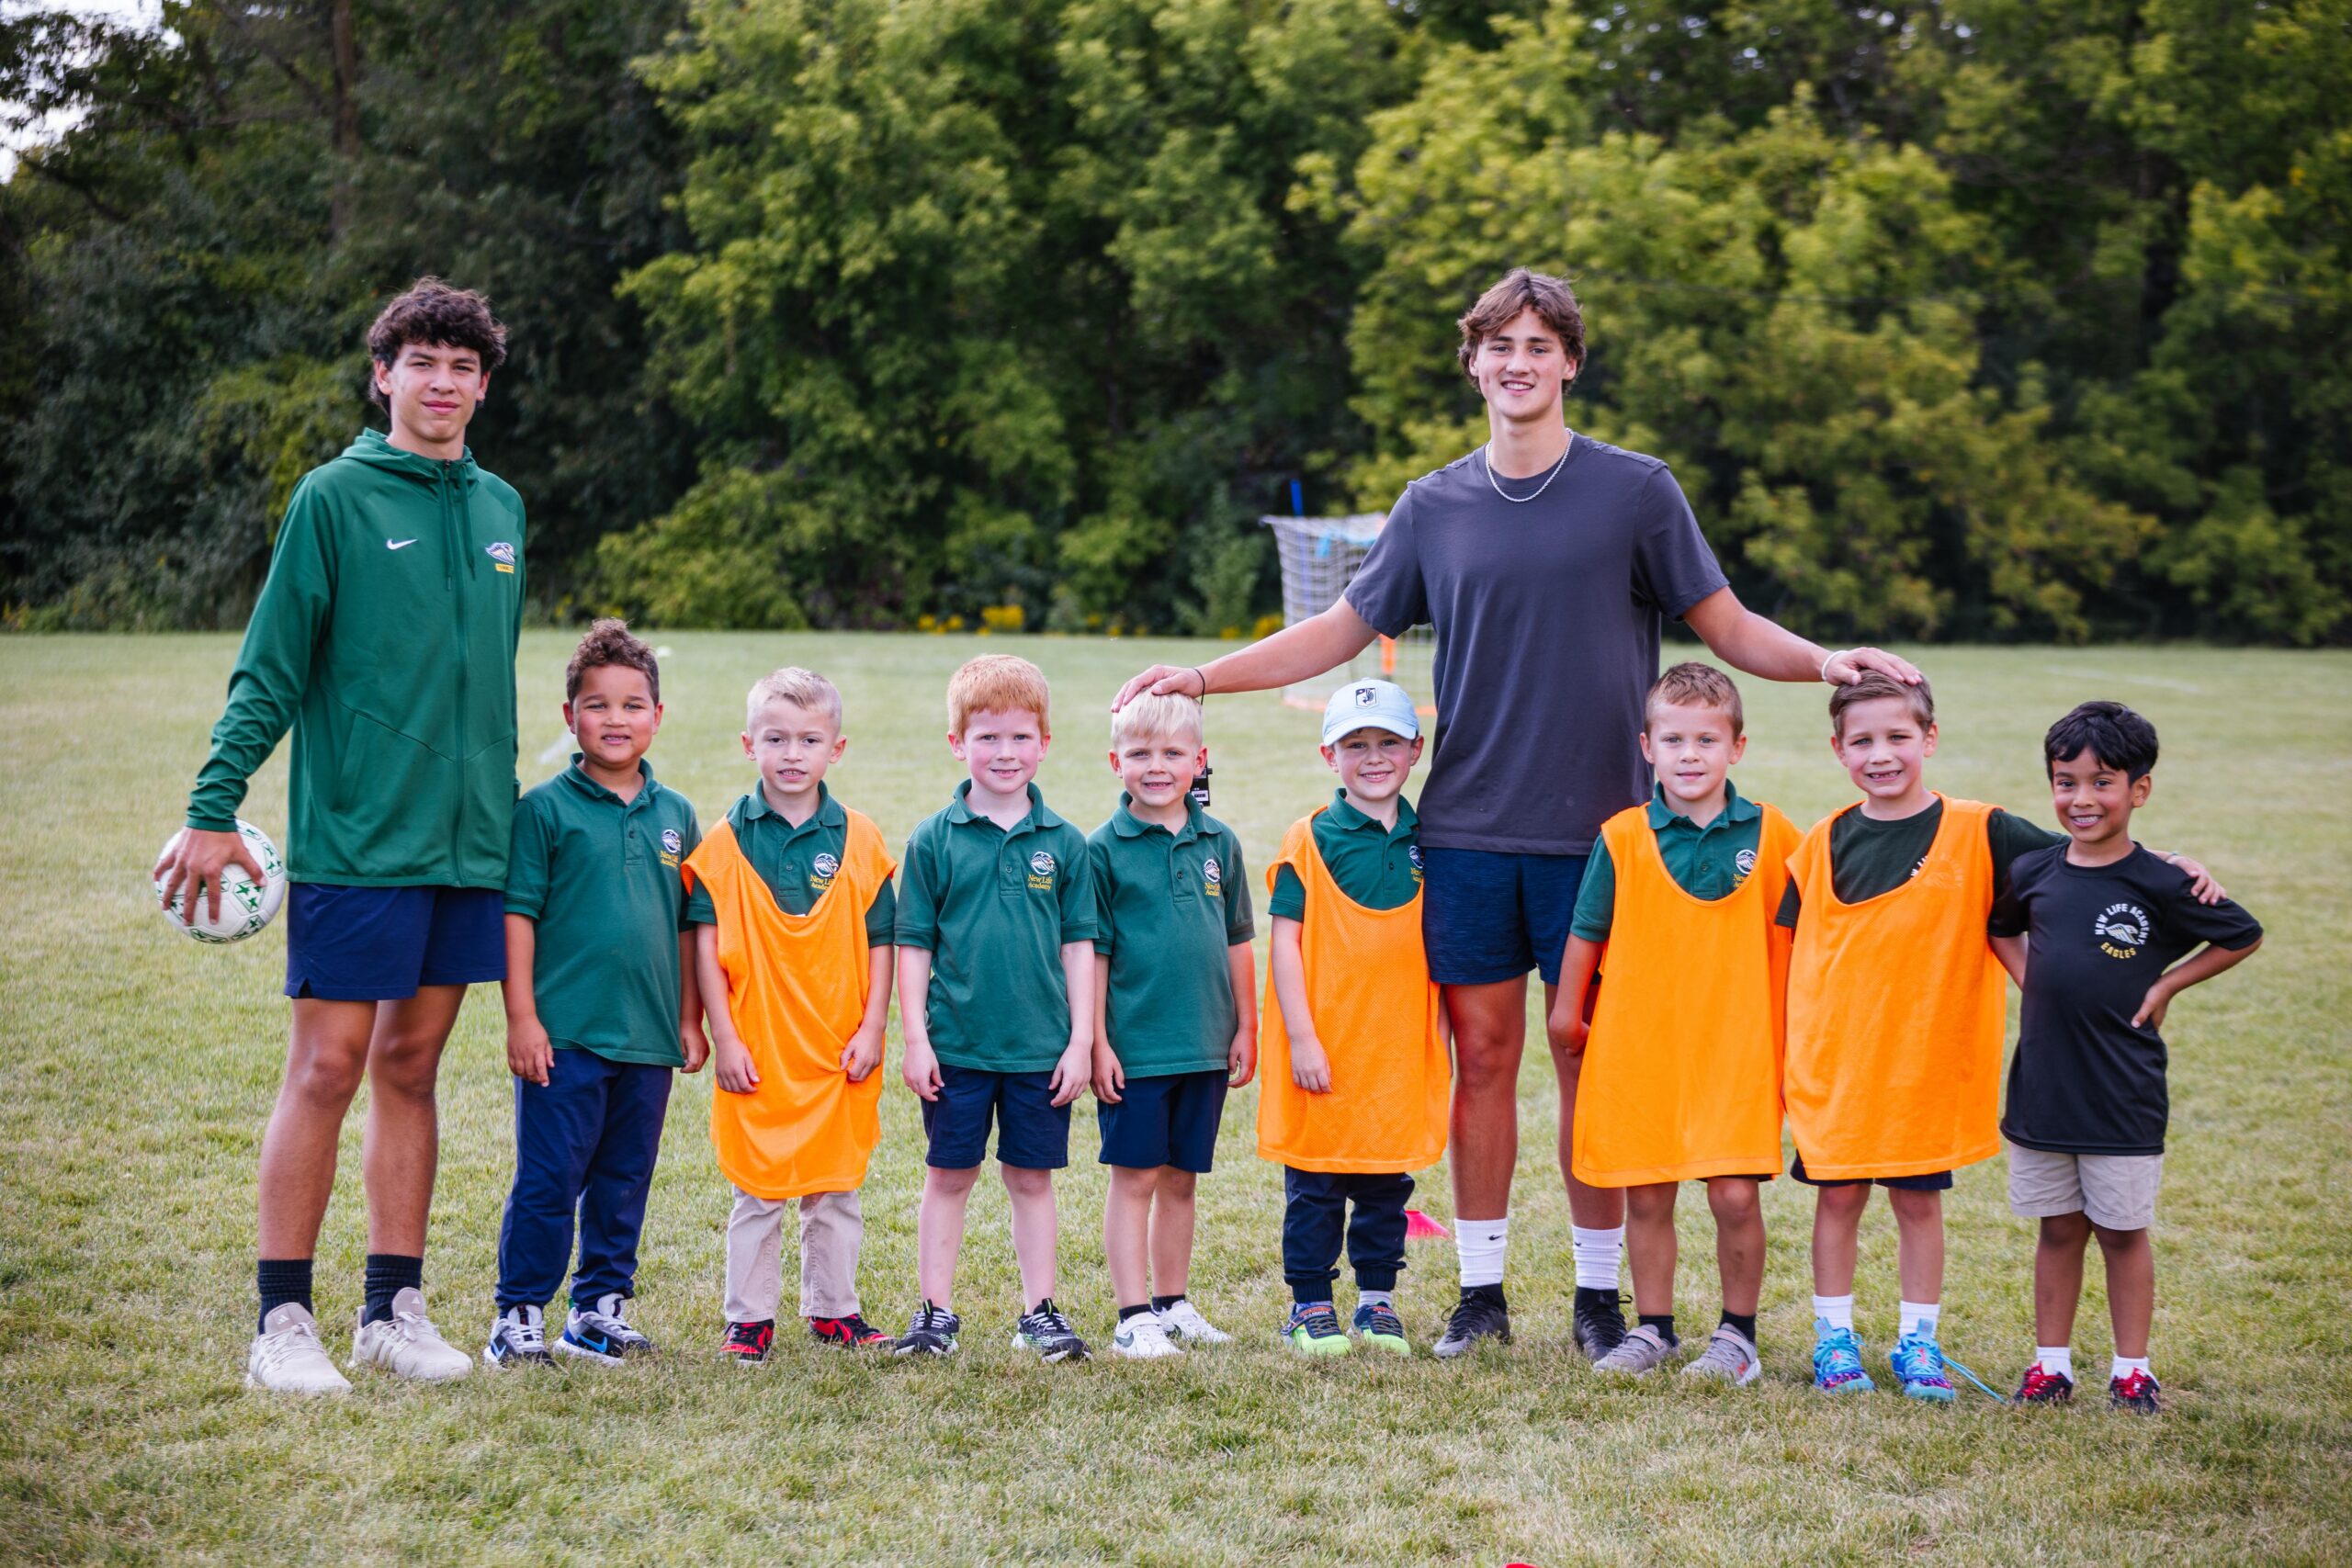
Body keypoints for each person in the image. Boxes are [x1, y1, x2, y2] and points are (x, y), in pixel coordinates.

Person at [1114, 266, 1921, 1359]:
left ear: (1570, 362)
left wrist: (1827, 662)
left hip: (1607, 841)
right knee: (1483, 1062)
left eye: (1540, 345)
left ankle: (1597, 1298)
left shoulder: (1636, 491)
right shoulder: (1433, 504)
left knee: (1590, 1059)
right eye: (1499, 344)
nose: (1518, 362)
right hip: (1469, 833)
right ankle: (1480, 1292)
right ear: (1473, 363)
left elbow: (1726, 625)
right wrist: (1202, 678)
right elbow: (1337, 631)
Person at [154, 278, 521, 1393]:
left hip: (469, 846)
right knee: (326, 1068)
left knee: (413, 1067)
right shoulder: (333, 499)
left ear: (482, 386)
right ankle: (281, 1324)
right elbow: (270, 669)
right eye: (423, 363)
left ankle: (391, 1311)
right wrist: (212, 807)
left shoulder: (502, 509)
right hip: (359, 840)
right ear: (384, 375)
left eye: (463, 367)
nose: (443, 383)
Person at [1778, 672, 2222, 1402]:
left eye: (1898, 736)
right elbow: (1792, 949)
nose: (1881, 754)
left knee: (1918, 1202)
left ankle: (1918, 1342)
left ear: (1929, 738)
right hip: (1838, 1063)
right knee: (1839, 1199)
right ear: (1838, 749)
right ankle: (1834, 1338)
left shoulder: (1984, 830)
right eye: (1862, 740)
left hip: (1925, 1063)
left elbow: (2092, 853)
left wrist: (2171, 863)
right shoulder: (1821, 841)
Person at [1994, 703, 2261, 1415]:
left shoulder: (2163, 881)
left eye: (2102, 782)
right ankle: (2050, 1366)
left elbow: (2241, 933)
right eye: (2066, 781)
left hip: (2122, 1091)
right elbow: (2000, 928)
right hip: (2044, 1086)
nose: (2081, 798)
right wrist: (2033, 980)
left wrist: (2167, 983)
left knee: (2120, 1230)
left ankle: (2132, 1370)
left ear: (2139, 789)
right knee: (2057, 1227)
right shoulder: (2033, 869)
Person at [1546, 665, 1795, 1387]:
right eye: (1675, 739)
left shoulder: (1774, 834)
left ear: (1737, 747)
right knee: (1649, 1193)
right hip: (1643, 1048)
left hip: (1737, 1050)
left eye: (1707, 739)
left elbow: (1813, 927)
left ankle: (1738, 1335)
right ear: (1647, 747)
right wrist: (1566, 1011)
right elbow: (1587, 931)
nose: (1690, 754)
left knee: (1734, 1194)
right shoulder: (1623, 836)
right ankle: (1653, 1326)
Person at [485, 622, 705, 1368]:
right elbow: (518, 915)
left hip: (647, 1036)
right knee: (551, 1179)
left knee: (623, 1179)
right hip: (566, 1035)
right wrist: (523, 1016)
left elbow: (687, 926)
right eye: (597, 704)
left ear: (657, 716)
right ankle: (518, 1314)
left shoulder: (676, 815)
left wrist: (688, 1016)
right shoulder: (544, 810)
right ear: (569, 715)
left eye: (633, 704)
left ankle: (596, 1311)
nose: (616, 718)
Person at [684, 668, 899, 1362]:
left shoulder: (860, 838)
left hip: (838, 1047)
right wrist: (723, 1036)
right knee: (757, 1190)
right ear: (750, 743)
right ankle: (749, 1318)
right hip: (760, 1044)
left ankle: (835, 1309)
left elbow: (882, 940)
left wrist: (874, 1027)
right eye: (775, 738)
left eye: (809, 739)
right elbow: (706, 945)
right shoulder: (725, 842)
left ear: (836, 748)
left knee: (835, 1188)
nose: (792, 753)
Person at [891, 655, 1098, 1362]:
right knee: (949, 1175)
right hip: (957, 1045)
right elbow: (913, 946)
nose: (1005, 752)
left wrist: (1080, 1040)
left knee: (1031, 1178)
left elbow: (1079, 947)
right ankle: (935, 1312)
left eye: (1019, 737)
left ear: (1044, 742)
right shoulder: (933, 839)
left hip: (1041, 1047)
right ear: (957, 742)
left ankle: (1039, 1310)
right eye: (987, 737)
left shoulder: (1065, 843)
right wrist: (916, 1039)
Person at [1260, 681, 1450, 1358]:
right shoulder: (1309, 838)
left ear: (1415, 750)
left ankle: (1377, 1301)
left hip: (1395, 1049)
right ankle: (1310, 1304)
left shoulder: (1433, 839)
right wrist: (1302, 1038)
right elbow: (1284, 943)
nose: (1373, 757)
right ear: (1329, 755)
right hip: (1326, 1046)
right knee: (1315, 1184)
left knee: (1386, 1184)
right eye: (1355, 745)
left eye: (1388, 742)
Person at [1088, 693, 1258, 1359]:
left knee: (1182, 1179)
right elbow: (1094, 954)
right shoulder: (1102, 851)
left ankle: (1172, 1302)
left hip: (1205, 1043)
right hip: (1136, 1047)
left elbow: (1237, 939)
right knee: (1135, 1178)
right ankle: (1133, 1316)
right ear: (1115, 762)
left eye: (1172, 753)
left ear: (1199, 760)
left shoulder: (1220, 843)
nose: (1156, 766)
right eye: (1139, 753)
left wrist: (1246, 1026)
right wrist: (1098, 1041)